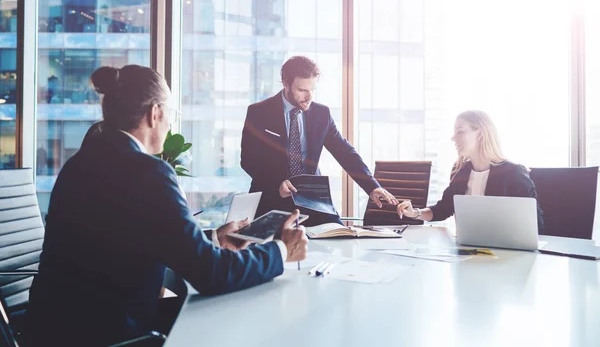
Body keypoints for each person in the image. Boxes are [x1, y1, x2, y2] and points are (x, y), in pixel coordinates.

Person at [25, 65, 308, 347]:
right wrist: (281, 250)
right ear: (155, 113)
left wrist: (212, 239)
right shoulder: (148, 172)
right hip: (110, 333)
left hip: (53, 329)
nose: (169, 124)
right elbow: (209, 274)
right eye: (170, 115)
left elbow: (128, 240)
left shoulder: (79, 164)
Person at [241, 56, 397, 227]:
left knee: (338, 234)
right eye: (302, 90)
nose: (309, 97)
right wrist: (277, 183)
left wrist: (372, 187)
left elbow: (344, 152)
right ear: (285, 83)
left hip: (313, 198)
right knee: (274, 249)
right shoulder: (259, 112)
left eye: (312, 89)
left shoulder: (321, 114)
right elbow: (248, 160)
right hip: (272, 197)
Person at [397, 110, 544, 233]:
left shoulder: (514, 174)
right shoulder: (460, 172)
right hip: (468, 251)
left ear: (480, 134)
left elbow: (535, 225)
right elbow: (443, 209)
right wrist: (415, 213)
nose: (453, 138)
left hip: (507, 254)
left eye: (460, 132)